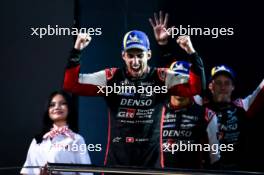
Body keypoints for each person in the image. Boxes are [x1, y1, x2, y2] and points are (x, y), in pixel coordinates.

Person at [63, 28, 204, 169]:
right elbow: (71, 85)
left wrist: (192, 53)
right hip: (117, 165)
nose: (135, 61)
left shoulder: (161, 77)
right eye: (130, 56)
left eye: (140, 55)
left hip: (151, 166)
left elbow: (196, 87)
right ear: (123, 56)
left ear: (148, 55)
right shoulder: (111, 78)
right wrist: (77, 50)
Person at [20, 90, 93, 175]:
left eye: (63, 103)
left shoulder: (77, 139)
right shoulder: (37, 140)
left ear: (69, 109)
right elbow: (27, 171)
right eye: (52, 105)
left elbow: (87, 173)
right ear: (47, 110)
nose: (57, 107)